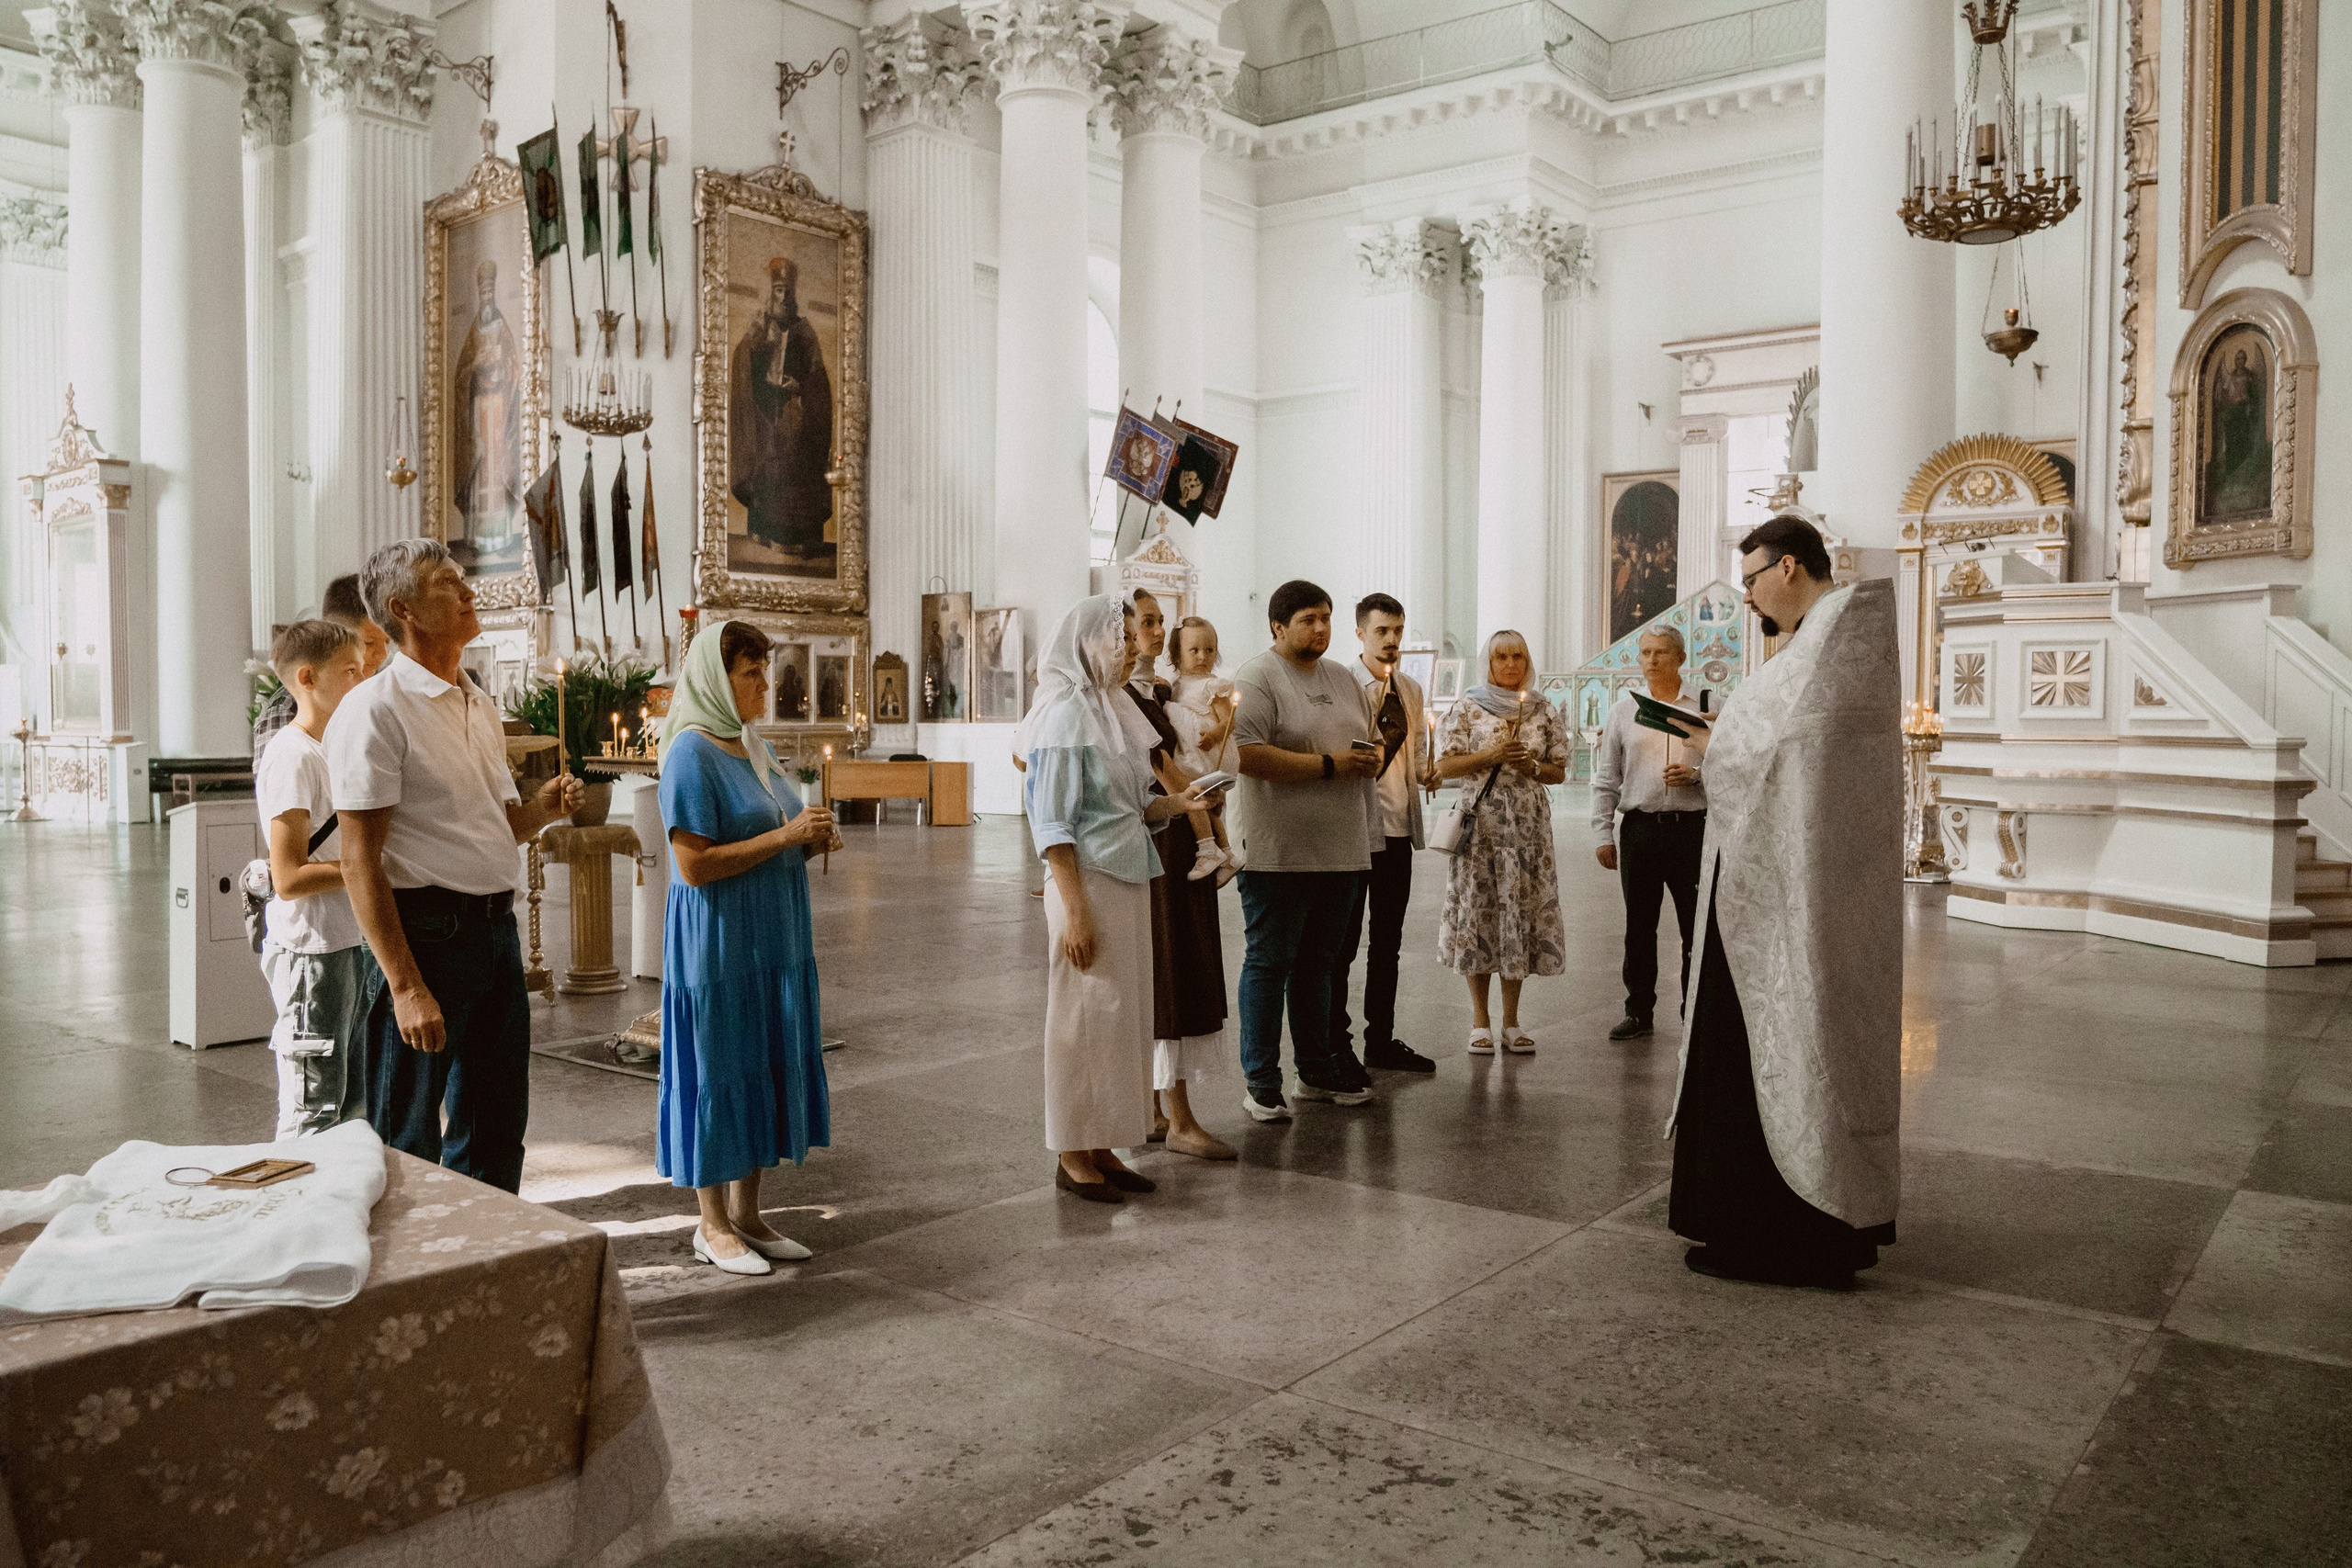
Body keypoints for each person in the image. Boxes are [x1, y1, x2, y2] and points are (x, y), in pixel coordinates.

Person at [1669, 515, 1901, 1290]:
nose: (1749, 597)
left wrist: (1713, 747)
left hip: (1777, 904)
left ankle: (1772, 1235)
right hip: (1799, 889)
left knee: (1766, 1049)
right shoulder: (1828, 644)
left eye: (1752, 579)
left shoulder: (1824, 646)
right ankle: (1805, 1222)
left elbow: (1765, 752)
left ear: (1791, 566)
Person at [329, 539, 583, 1193]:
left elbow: (500, 826)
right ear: (402, 608)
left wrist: (542, 810)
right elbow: (358, 859)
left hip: (494, 934)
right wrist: (406, 986)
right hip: (426, 935)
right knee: (406, 1134)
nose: (469, 591)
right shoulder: (376, 709)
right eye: (447, 583)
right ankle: (408, 1280)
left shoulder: (478, 701)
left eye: (462, 578)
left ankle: (488, 1264)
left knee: (497, 1124)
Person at [659, 620, 842, 1275]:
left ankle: (748, 1213)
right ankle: (710, 1224)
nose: (766, 684)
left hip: (771, 934)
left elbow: (777, 829)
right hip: (719, 939)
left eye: (766, 672)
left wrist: (811, 837)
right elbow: (693, 866)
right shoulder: (690, 753)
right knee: (718, 1062)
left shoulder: (751, 746)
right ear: (716, 677)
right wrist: (786, 836)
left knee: (761, 1057)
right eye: (751, 674)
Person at [1023, 595, 1209, 1201]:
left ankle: (1104, 1143)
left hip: (1127, 875)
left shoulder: (1109, 709)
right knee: (1081, 1019)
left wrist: (1176, 804)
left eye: (1132, 639)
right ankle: (1072, 1152)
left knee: (1118, 1022)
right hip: (1088, 883)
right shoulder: (1061, 715)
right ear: (1089, 643)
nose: (1132, 649)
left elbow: (1129, 806)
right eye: (1121, 638)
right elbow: (1053, 823)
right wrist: (1074, 910)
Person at [1230, 580, 1383, 1120]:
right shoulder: (1257, 676)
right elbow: (1245, 754)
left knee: (1320, 964)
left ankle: (1315, 1071)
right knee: (1271, 962)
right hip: (1278, 848)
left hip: (1340, 844)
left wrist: (1370, 756)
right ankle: (1261, 1081)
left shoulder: (1342, 677)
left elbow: (1361, 740)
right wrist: (1330, 765)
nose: (1321, 629)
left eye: (1326, 618)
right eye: (1308, 620)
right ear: (1278, 626)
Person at [1124, 592, 1238, 1162]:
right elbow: (1158, 766)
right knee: (1171, 965)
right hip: (1165, 840)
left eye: (1157, 621)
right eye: (1145, 622)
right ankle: (1179, 1118)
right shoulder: (1127, 697)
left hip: (1173, 831)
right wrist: (1201, 807)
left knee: (1168, 962)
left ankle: (1153, 1106)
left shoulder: (1157, 692)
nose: (1153, 630)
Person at [255, 619, 376, 1137]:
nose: (362, 681)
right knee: (315, 1109)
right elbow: (288, 876)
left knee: (354, 1106)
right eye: (350, 671)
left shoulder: (335, 746)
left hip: (350, 939)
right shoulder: (292, 755)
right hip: (312, 951)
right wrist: (366, 867)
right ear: (308, 677)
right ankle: (296, 1213)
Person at [1432, 630, 1568, 1055]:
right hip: (1482, 827)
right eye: (1501, 657)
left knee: (1518, 912)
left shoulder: (1543, 709)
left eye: (1518, 656)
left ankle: (1511, 1021)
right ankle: (1479, 1020)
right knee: (1482, 912)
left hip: (1527, 827)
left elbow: (1559, 769)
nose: (1510, 664)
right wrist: (1491, 756)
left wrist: (1532, 766)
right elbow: (1445, 764)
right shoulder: (1468, 706)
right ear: (1487, 663)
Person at [1331, 594, 1438, 1075]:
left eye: (1397, 631)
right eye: (1382, 632)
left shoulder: (1410, 691)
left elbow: (1415, 758)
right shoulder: (1339, 686)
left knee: (1387, 940)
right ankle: (1337, 1042)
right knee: (1343, 942)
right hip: (1354, 830)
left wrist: (1429, 773)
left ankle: (1381, 1039)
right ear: (1360, 633)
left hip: (1396, 831)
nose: (1392, 640)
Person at [1592, 625, 1709, 1042]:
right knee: (1639, 925)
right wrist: (1602, 833)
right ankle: (1638, 1010)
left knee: (1695, 926)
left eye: (1661, 652)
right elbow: (1606, 777)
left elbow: (1730, 765)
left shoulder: (1704, 704)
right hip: (1640, 829)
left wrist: (1696, 776)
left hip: (1691, 829)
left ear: (1679, 657)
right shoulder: (1624, 710)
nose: (1652, 660)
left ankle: (1694, 1012)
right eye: (1645, 653)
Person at [729, 255, 835, 558]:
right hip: (765, 413)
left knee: (797, 468)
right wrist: (757, 352)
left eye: (787, 291)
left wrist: (799, 388)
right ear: (771, 293)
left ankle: (800, 538)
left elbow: (819, 380)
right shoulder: (760, 327)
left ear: (794, 295)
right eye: (778, 290)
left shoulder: (806, 333)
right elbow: (741, 362)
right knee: (769, 465)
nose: (783, 296)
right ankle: (764, 531)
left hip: (797, 416)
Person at [253, 574, 390, 755]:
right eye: (369, 643)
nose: (383, 654)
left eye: (388, 641)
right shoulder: (287, 708)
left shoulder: (381, 694)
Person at [453, 257, 524, 557]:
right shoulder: (474, 330)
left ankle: (502, 536)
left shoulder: (501, 323)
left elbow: (513, 367)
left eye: (489, 293)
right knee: (480, 465)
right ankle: (478, 538)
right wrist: (476, 366)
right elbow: (462, 372)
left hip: (498, 404)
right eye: (482, 294)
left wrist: (498, 367)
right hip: (480, 405)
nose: (486, 298)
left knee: (498, 465)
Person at [1165, 616, 1241, 878]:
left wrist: (1212, 736)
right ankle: (1228, 854)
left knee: (1191, 794)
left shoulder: (1211, 684)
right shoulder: (1177, 685)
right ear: (1177, 654)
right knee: (1206, 804)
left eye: (1209, 650)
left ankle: (1207, 849)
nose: (1202, 656)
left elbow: (1229, 721)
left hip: (1210, 753)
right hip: (1195, 751)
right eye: (1194, 650)